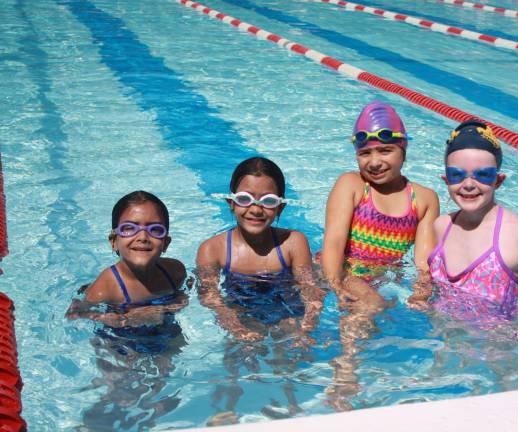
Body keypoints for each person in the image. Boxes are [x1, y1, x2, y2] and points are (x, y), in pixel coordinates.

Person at [420, 119, 518, 331]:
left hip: (494, 348)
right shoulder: (441, 226)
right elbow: (429, 281)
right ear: (446, 180)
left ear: (498, 180)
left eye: (483, 175)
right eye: (457, 175)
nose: (469, 185)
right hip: (443, 336)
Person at [321, 101, 440, 310]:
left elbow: (423, 263)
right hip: (344, 272)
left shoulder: (424, 199)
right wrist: (336, 284)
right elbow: (333, 244)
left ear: (403, 151)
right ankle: (349, 344)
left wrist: (421, 294)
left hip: (383, 278)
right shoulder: (352, 185)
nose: (374, 162)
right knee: (372, 304)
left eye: (385, 151)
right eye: (365, 153)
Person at [196, 157, 325, 343]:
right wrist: (237, 328)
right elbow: (210, 298)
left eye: (268, 201)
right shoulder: (213, 250)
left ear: (280, 207)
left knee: (293, 357)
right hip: (241, 314)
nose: (256, 210)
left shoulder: (293, 242)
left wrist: (307, 324)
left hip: (288, 311)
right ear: (230, 203)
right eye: (244, 199)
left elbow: (308, 288)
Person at [66, 190, 188, 328]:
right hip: (121, 339)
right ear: (114, 242)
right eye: (129, 228)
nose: (142, 237)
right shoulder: (105, 288)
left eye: (155, 230)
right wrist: (123, 319)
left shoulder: (175, 272)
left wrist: (171, 306)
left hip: (165, 328)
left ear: (165, 243)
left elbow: (185, 293)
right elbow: (73, 314)